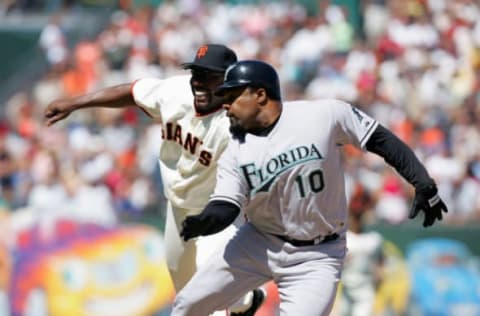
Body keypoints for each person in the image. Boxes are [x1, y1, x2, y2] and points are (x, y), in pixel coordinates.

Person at [172, 60, 448, 316]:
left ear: (260, 95)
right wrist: (205, 221)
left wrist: (421, 181)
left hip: (317, 255)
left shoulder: (323, 115)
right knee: (187, 305)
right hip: (259, 241)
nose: (226, 106)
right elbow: (226, 205)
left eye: (233, 97)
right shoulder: (235, 150)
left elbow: (380, 139)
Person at [44, 44, 266, 316]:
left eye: (209, 76)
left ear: (228, 81)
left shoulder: (239, 122)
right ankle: (248, 301)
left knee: (209, 291)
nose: (199, 82)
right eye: (196, 73)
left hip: (217, 212)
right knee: (186, 291)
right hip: (178, 208)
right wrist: (76, 103)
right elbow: (133, 92)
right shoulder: (176, 91)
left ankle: (241, 301)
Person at [339, 183, 384, 316]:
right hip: (346, 289)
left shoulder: (374, 239)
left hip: (365, 291)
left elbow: (381, 266)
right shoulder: (344, 238)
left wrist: (379, 275)